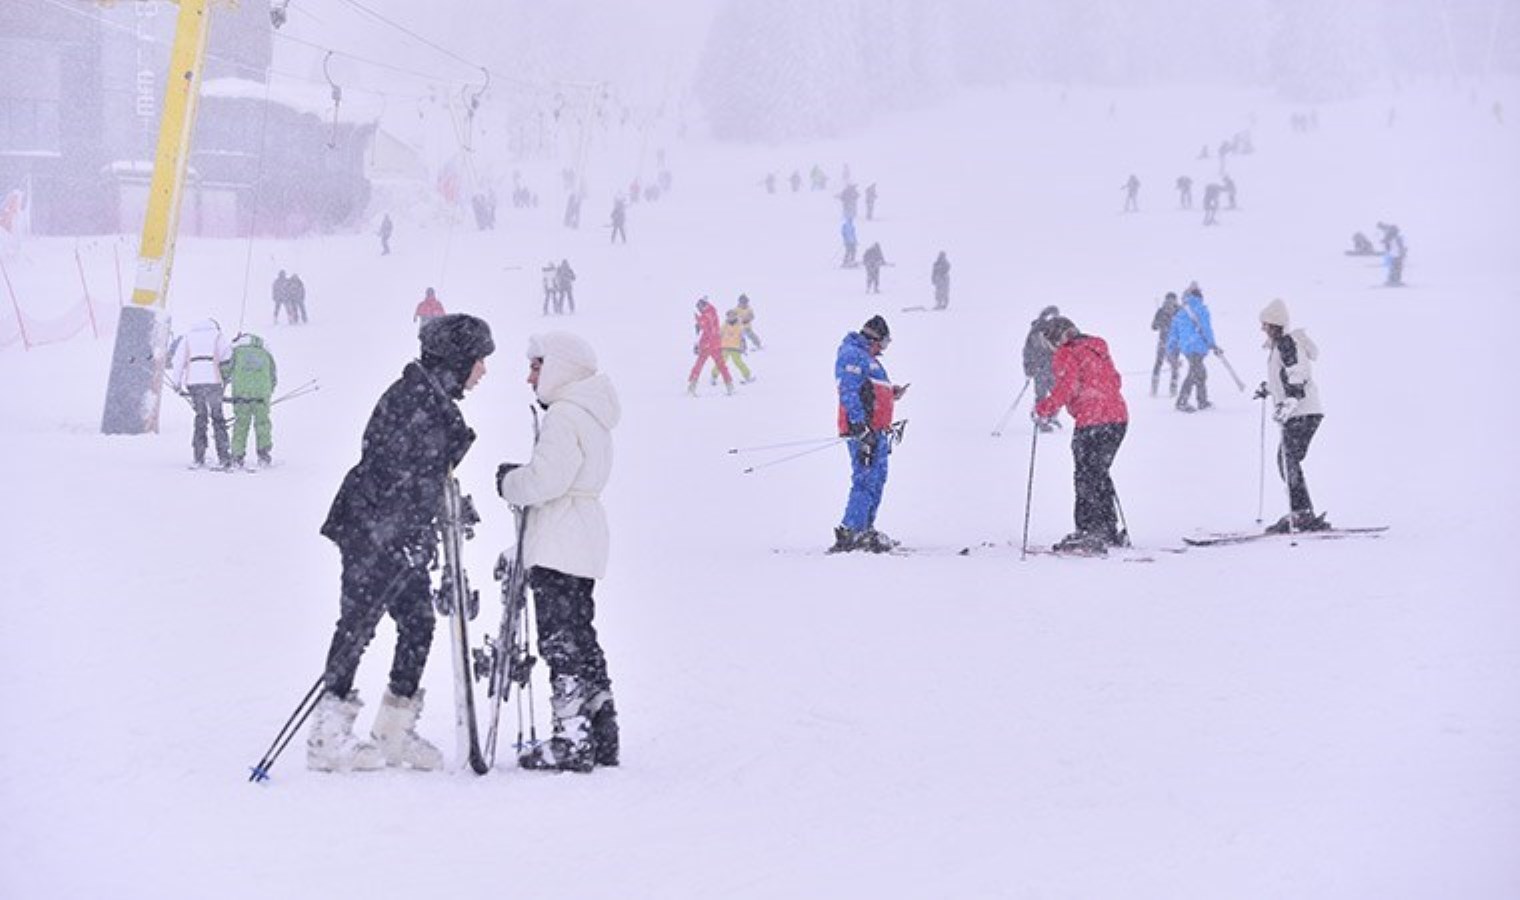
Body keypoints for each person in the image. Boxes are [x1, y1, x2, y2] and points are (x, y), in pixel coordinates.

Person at [307, 313, 495, 773]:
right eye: (479, 360)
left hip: (400, 533)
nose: (484, 371)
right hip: (371, 529)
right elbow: (392, 474)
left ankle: (393, 729)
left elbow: (425, 477)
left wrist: (435, 516)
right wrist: (402, 533)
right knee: (358, 622)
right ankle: (327, 736)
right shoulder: (414, 401)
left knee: (417, 622)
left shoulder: (432, 400)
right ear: (458, 359)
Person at [497, 331, 621, 772]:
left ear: (560, 366)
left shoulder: (564, 416)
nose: (530, 376)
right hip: (584, 536)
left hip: (559, 539)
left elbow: (546, 481)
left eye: (537, 365)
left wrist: (510, 481)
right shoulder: (592, 413)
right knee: (582, 633)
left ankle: (571, 737)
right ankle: (601, 728)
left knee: (559, 638)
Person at [1033, 316, 1129, 553]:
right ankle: (1107, 528)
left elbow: (1068, 386)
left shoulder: (1067, 353)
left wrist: (1043, 408)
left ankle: (1088, 530)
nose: (1053, 348)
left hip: (1093, 421)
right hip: (1117, 420)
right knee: (1098, 472)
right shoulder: (1098, 347)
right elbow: (1115, 380)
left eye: (1051, 342)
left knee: (1086, 475)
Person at [832, 315, 907, 553]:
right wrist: (859, 426)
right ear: (874, 338)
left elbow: (870, 390)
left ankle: (865, 528)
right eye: (883, 343)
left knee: (876, 479)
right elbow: (849, 390)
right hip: (863, 431)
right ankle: (851, 531)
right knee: (864, 479)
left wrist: (890, 394)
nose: (884, 349)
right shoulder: (853, 355)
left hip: (878, 431)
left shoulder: (870, 359)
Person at [1256, 299, 1328, 533]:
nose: (1262, 328)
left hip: (1302, 412)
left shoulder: (1287, 343)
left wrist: (1291, 399)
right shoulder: (1281, 344)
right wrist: (1270, 389)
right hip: (1302, 411)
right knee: (1287, 460)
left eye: (1265, 324)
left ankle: (1301, 513)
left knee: (1287, 460)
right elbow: (1285, 376)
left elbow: (1297, 373)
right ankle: (1302, 511)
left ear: (1275, 324)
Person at [171, 318, 232, 469]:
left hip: (194, 382)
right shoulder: (218, 335)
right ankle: (223, 456)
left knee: (200, 417)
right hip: (213, 380)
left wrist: (176, 383)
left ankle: (199, 456)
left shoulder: (188, 337)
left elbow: (178, 361)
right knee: (218, 417)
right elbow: (227, 356)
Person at [224, 332, 277, 468]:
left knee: (241, 424)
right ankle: (264, 455)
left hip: (242, 394)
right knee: (262, 424)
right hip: (261, 394)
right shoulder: (266, 352)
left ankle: (237, 456)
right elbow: (273, 376)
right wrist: (267, 393)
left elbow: (225, 370)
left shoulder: (236, 351)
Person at [1167, 283, 1216, 412]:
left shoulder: (1180, 313)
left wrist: (1171, 350)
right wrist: (1212, 344)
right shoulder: (1201, 309)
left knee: (1200, 373)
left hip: (1187, 348)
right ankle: (1182, 402)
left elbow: (1173, 334)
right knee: (1194, 374)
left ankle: (1202, 401)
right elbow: (1206, 329)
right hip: (1198, 346)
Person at [1022, 305, 1062, 429]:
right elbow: (1028, 351)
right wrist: (1029, 369)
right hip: (1040, 368)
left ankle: (1050, 416)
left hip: (1053, 368)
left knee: (1057, 394)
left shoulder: (1056, 328)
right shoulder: (1036, 330)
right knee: (1042, 395)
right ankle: (1040, 418)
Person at [687, 297, 732, 396]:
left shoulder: (707, 315)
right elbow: (707, 330)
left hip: (710, 344)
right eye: (698, 307)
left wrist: (699, 322)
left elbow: (708, 329)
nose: (699, 309)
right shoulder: (711, 312)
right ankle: (729, 385)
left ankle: (692, 386)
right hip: (712, 343)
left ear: (704, 305)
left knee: (701, 365)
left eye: (700, 307)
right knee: (718, 365)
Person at [1150, 292, 1182, 397]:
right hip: (1175, 343)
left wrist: (1160, 324)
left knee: (1158, 364)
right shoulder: (1179, 310)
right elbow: (1182, 327)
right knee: (1174, 366)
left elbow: (1154, 327)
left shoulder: (1161, 310)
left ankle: (1154, 389)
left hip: (1162, 341)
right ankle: (1173, 390)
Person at [715, 309, 754, 384]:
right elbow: (719, 335)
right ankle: (714, 376)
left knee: (738, 362)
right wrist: (717, 344)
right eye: (729, 316)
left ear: (735, 316)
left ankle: (747, 376)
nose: (731, 317)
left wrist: (743, 346)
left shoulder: (739, 326)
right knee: (721, 362)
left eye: (732, 315)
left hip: (735, 348)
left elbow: (742, 337)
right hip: (725, 347)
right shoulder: (724, 325)